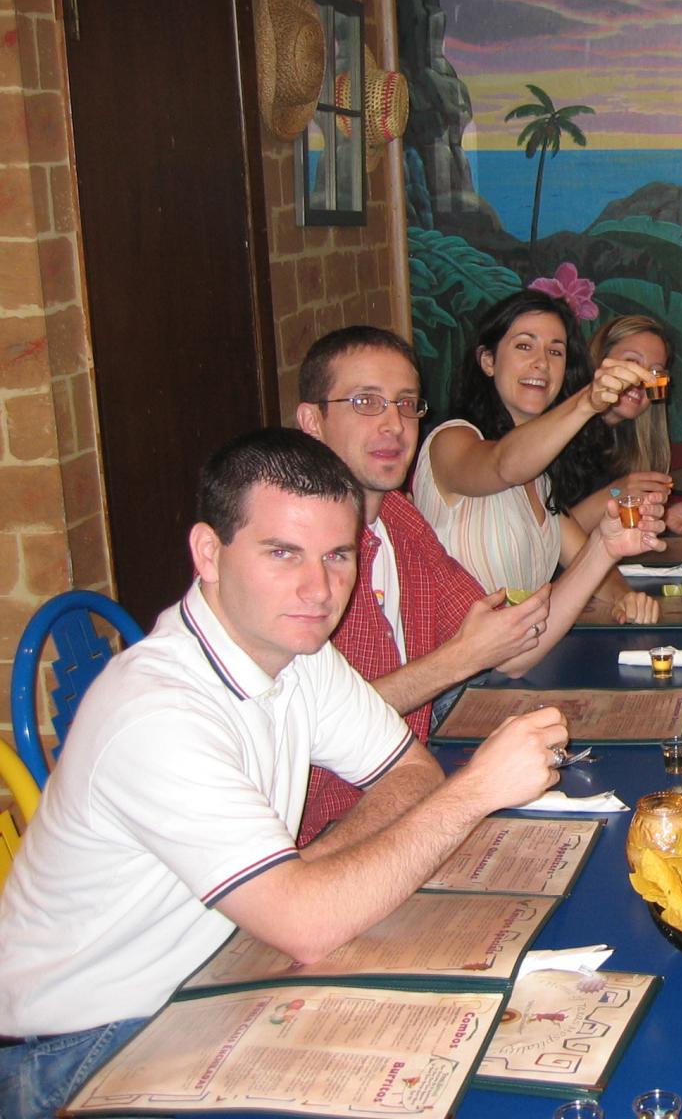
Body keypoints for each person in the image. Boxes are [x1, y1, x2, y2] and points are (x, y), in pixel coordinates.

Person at [0, 429, 638, 1119]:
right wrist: (478, 789)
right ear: (208, 553)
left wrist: (313, 869)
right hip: (78, 1047)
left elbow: (408, 771)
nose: (319, 589)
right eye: (282, 553)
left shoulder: (295, 649)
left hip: (215, 973)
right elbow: (309, 923)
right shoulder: (156, 715)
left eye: (338, 556)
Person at [294, 325, 663, 844]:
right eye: (364, 402)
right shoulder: (293, 556)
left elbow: (511, 652)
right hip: (327, 837)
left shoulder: (400, 521)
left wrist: (603, 547)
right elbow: (310, 728)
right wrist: (461, 659)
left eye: (405, 404)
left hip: (409, 801)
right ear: (313, 421)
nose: (393, 425)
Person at [413, 290, 660, 623]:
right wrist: (587, 402)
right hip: (461, 670)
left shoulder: (540, 476)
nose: (542, 363)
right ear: (488, 361)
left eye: (555, 351)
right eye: (524, 346)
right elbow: (504, 465)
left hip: (517, 662)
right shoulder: (451, 440)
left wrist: (626, 597)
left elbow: (589, 559)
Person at [553, 313, 682, 537]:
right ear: (599, 361)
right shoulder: (558, 432)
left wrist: (664, 520)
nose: (641, 379)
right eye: (632, 363)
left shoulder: (629, 442)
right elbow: (546, 542)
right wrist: (617, 493)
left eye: (654, 372)